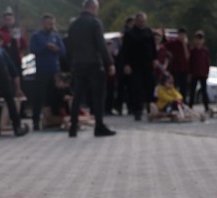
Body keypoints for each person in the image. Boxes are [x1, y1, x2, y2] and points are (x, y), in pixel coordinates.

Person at [66, 0, 116, 137]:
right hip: (94, 63)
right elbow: (101, 44)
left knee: (77, 96)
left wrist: (73, 61)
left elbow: (69, 45)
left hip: (78, 64)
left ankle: (73, 127)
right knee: (98, 96)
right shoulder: (94, 23)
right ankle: (99, 127)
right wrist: (109, 63)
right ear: (94, 7)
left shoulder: (74, 24)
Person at [30, 14, 66, 131]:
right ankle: (35, 121)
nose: (50, 26)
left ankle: (52, 120)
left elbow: (63, 52)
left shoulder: (55, 36)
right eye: (48, 23)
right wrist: (46, 48)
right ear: (43, 24)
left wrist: (56, 49)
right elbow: (33, 50)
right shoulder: (36, 36)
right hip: (42, 70)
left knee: (54, 96)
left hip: (54, 70)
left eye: (52, 23)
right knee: (39, 96)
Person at [121, 12, 157, 121]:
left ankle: (150, 109)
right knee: (137, 88)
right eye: (140, 21)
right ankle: (137, 111)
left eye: (143, 21)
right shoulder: (129, 33)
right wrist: (126, 64)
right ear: (136, 21)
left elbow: (153, 47)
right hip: (135, 65)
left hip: (148, 64)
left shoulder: (148, 32)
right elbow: (125, 50)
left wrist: (155, 59)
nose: (141, 23)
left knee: (150, 86)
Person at [0, 7, 28, 75]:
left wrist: (22, 36)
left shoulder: (17, 30)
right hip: (4, 57)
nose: (8, 22)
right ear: (3, 21)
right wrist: (10, 36)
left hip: (16, 58)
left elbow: (25, 46)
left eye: (10, 20)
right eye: (7, 20)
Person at [164, 28, 190, 99]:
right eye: (180, 34)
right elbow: (163, 47)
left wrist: (184, 44)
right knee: (174, 86)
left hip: (184, 69)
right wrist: (168, 53)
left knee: (183, 87)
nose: (182, 36)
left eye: (183, 34)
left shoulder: (187, 45)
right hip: (175, 69)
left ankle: (183, 101)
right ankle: (173, 101)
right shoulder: (173, 43)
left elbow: (187, 57)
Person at [188, 30, 210, 111]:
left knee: (204, 90)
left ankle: (206, 106)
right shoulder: (192, 51)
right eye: (197, 39)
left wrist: (207, 72)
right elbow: (190, 62)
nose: (199, 40)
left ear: (203, 40)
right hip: (194, 73)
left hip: (203, 73)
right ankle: (190, 106)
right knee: (192, 90)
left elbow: (207, 62)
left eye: (200, 39)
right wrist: (190, 73)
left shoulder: (205, 50)